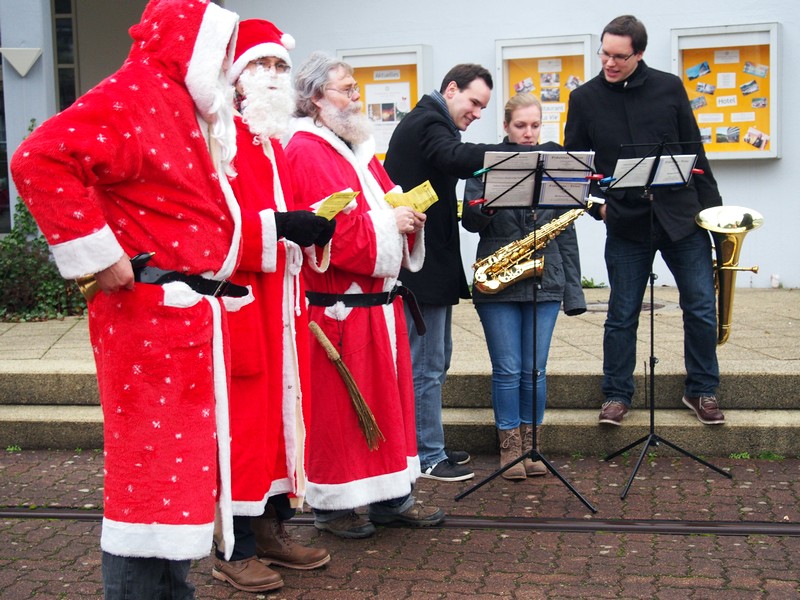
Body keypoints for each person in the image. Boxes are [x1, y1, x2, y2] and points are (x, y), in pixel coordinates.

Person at [9, 1, 249, 597]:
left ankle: (173, 591)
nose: (227, 64)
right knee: (151, 477)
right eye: (221, 49)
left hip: (180, 317)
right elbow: (38, 159)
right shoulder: (138, 92)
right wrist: (100, 254)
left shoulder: (179, 102)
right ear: (190, 45)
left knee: (179, 473)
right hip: (148, 315)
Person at [285, 51, 444, 539]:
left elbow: (386, 201)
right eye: (346, 90)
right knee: (343, 412)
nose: (357, 99)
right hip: (339, 310)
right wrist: (390, 224)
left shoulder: (356, 148)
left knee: (388, 408)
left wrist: (407, 216)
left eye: (356, 89)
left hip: (378, 305)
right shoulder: (305, 151)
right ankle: (334, 507)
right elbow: (323, 232)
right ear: (315, 99)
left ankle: (392, 498)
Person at [211, 20, 335, 593]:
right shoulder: (220, 137)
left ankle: (272, 528)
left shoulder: (274, 141)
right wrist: (280, 227)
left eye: (282, 68)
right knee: (243, 428)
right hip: (241, 305)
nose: (276, 77)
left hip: (282, 304)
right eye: (265, 66)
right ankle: (231, 546)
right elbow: (211, 228)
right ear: (238, 74)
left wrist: (313, 230)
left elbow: (284, 217)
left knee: (279, 424)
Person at [564, 15, 724, 427]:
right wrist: (597, 208)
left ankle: (701, 390)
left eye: (619, 56)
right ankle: (616, 395)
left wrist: (715, 215)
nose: (609, 63)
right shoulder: (584, 99)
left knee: (702, 308)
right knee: (621, 313)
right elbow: (575, 171)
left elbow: (696, 152)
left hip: (681, 218)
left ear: (639, 54)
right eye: (604, 53)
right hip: (625, 222)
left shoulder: (670, 88)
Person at [384, 64, 498, 482]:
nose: (477, 113)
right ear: (451, 90)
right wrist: (513, 154)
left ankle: (428, 443)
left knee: (437, 359)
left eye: (483, 106)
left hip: (431, 265)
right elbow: (454, 157)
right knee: (426, 365)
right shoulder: (428, 121)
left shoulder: (430, 121)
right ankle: (426, 455)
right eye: (473, 102)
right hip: (421, 269)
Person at [462, 93, 586, 479]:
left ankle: (533, 448)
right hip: (498, 280)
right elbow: (470, 222)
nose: (529, 133)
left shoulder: (558, 166)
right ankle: (510, 449)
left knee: (535, 369)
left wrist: (573, 292)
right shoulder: (485, 166)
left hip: (544, 277)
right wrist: (486, 206)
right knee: (507, 369)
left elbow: (565, 233)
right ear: (505, 126)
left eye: (535, 126)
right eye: (521, 126)